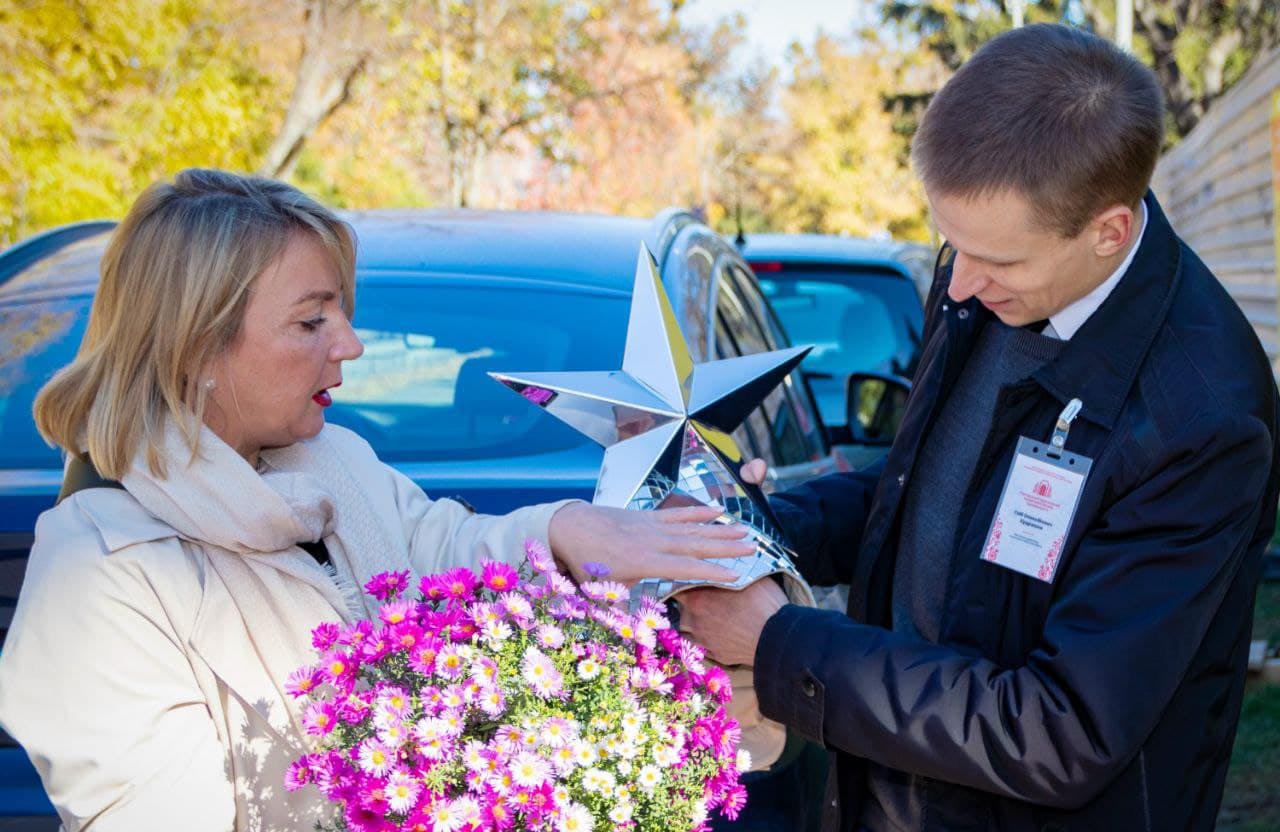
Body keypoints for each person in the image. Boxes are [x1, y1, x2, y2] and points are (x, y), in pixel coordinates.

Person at [0, 169, 753, 830]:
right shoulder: (101, 570)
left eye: (342, 312)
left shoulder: (334, 460)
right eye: (311, 320)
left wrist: (567, 530)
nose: (352, 344)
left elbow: (437, 548)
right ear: (195, 347)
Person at [678, 24, 1280, 832]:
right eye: (951, 244)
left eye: (996, 259)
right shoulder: (989, 276)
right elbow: (935, 491)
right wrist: (763, 528)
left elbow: (1061, 731)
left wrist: (780, 642)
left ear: (1110, 231)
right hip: (892, 791)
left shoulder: (1203, 420)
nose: (960, 280)